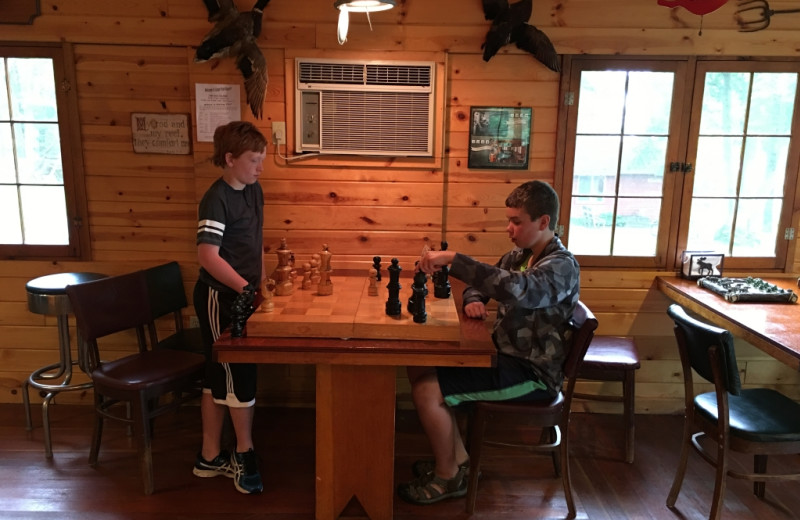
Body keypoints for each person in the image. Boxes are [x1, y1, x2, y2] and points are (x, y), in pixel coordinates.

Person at [397, 180, 580, 505]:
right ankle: (457, 462)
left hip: (533, 375)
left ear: (543, 222)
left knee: (427, 390)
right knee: (419, 365)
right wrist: (473, 299)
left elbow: (516, 289)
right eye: (508, 220)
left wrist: (455, 258)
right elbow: (485, 283)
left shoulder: (561, 266)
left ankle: (448, 477)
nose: (509, 228)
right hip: (504, 356)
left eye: (517, 221)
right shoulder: (519, 256)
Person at [192, 120, 267, 495]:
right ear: (229, 158)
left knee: (218, 377)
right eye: (253, 159)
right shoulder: (216, 198)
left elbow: (255, 243)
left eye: (262, 159)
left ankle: (209, 456)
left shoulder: (254, 191)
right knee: (235, 373)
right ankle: (243, 452)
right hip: (218, 297)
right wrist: (245, 288)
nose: (259, 166)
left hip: (244, 294)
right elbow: (207, 255)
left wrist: (261, 285)